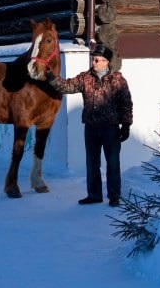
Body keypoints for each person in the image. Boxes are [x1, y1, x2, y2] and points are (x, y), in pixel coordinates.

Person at [46, 44, 133, 207]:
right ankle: (94, 195)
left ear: (106, 62)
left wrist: (126, 125)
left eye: (97, 60)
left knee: (113, 163)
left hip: (111, 128)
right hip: (91, 128)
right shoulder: (85, 78)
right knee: (92, 163)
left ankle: (114, 195)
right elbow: (67, 86)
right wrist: (51, 77)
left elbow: (126, 104)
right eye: (93, 59)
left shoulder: (118, 80)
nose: (93, 62)